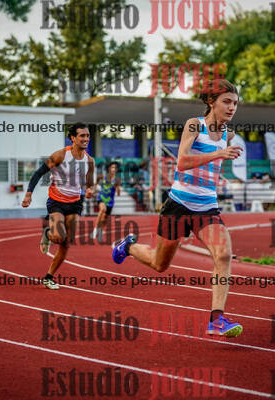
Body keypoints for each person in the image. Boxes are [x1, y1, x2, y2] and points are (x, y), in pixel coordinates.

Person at [112, 79, 244, 337]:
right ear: (211, 102)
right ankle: (127, 247)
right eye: (227, 102)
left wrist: (218, 167)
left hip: (207, 208)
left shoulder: (228, 134)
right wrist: (218, 154)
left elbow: (212, 167)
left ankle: (217, 319)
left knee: (224, 254)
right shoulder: (195, 125)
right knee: (159, 264)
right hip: (179, 205)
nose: (232, 108)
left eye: (235, 103)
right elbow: (182, 162)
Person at [22, 123, 95, 290]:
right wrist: (28, 194)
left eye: (87, 136)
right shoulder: (60, 155)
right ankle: (47, 233)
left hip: (75, 203)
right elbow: (38, 173)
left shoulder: (89, 161)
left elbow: (89, 181)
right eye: (82, 136)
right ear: (73, 138)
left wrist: (90, 189)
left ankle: (49, 277)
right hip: (57, 201)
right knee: (58, 237)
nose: (86, 139)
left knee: (66, 243)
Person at [91, 162, 121, 242]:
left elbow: (118, 194)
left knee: (104, 219)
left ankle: (101, 231)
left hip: (110, 201)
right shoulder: (103, 176)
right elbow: (97, 179)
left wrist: (118, 188)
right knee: (102, 209)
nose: (113, 169)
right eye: (112, 167)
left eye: (115, 168)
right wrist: (95, 188)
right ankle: (95, 229)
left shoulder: (117, 180)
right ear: (109, 169)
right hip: (101, 198)